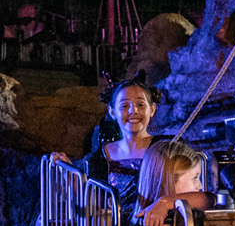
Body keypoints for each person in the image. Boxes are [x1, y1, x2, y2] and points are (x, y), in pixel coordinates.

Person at [53, 74, 158, 208]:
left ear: (152, 109)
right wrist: (72, 177)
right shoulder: (101, 156)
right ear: (112, 112)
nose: (133, 111)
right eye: (124, 106)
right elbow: (95, 202)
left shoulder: (164, 148)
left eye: (140, 104)